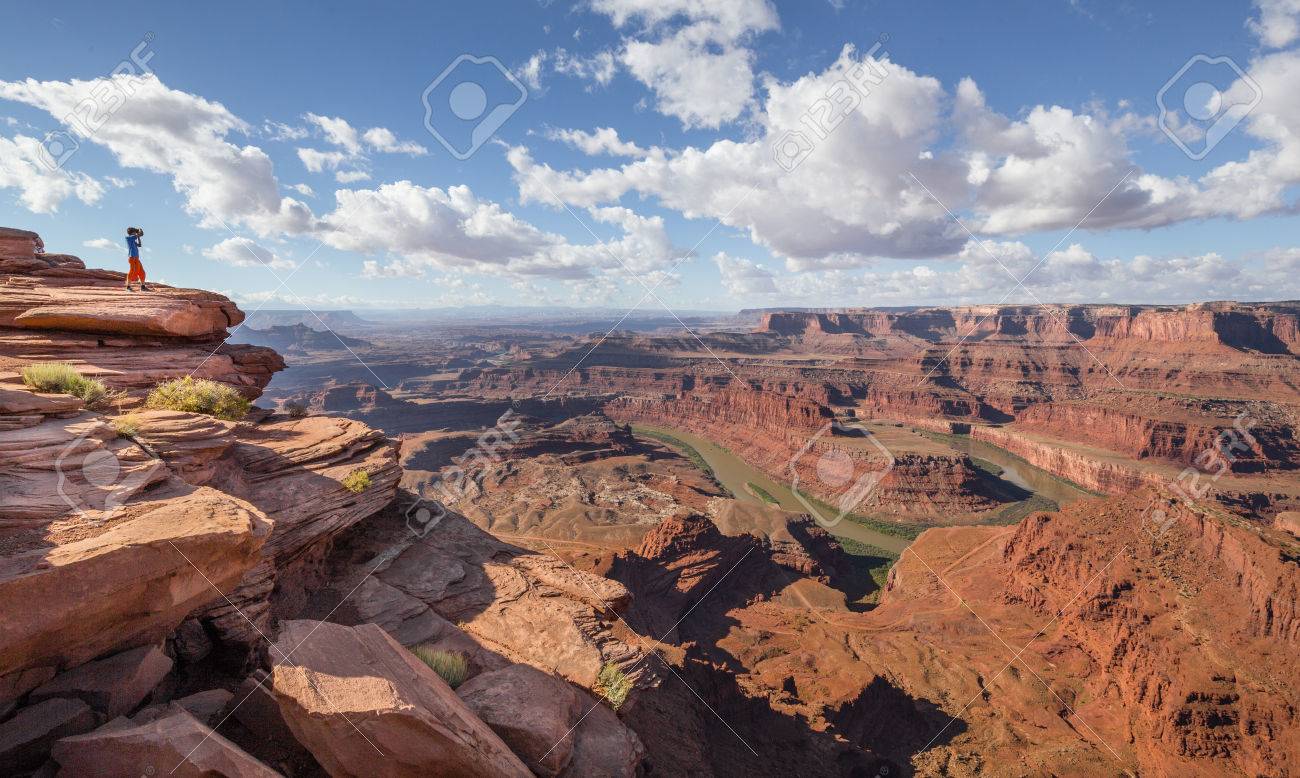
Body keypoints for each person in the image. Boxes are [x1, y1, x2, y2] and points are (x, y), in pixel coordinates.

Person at [124, 227, 149, 291]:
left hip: (136, 258)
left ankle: (143, 287)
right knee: (132, 271)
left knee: (142, 272)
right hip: (132, 257)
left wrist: (138, 236)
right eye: (134, 232)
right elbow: (141, 233)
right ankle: (128, 287)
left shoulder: (133, 240)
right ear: (132, 233)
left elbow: (140, 245)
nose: (135, 233)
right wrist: (139, 229)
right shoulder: (128, 238)